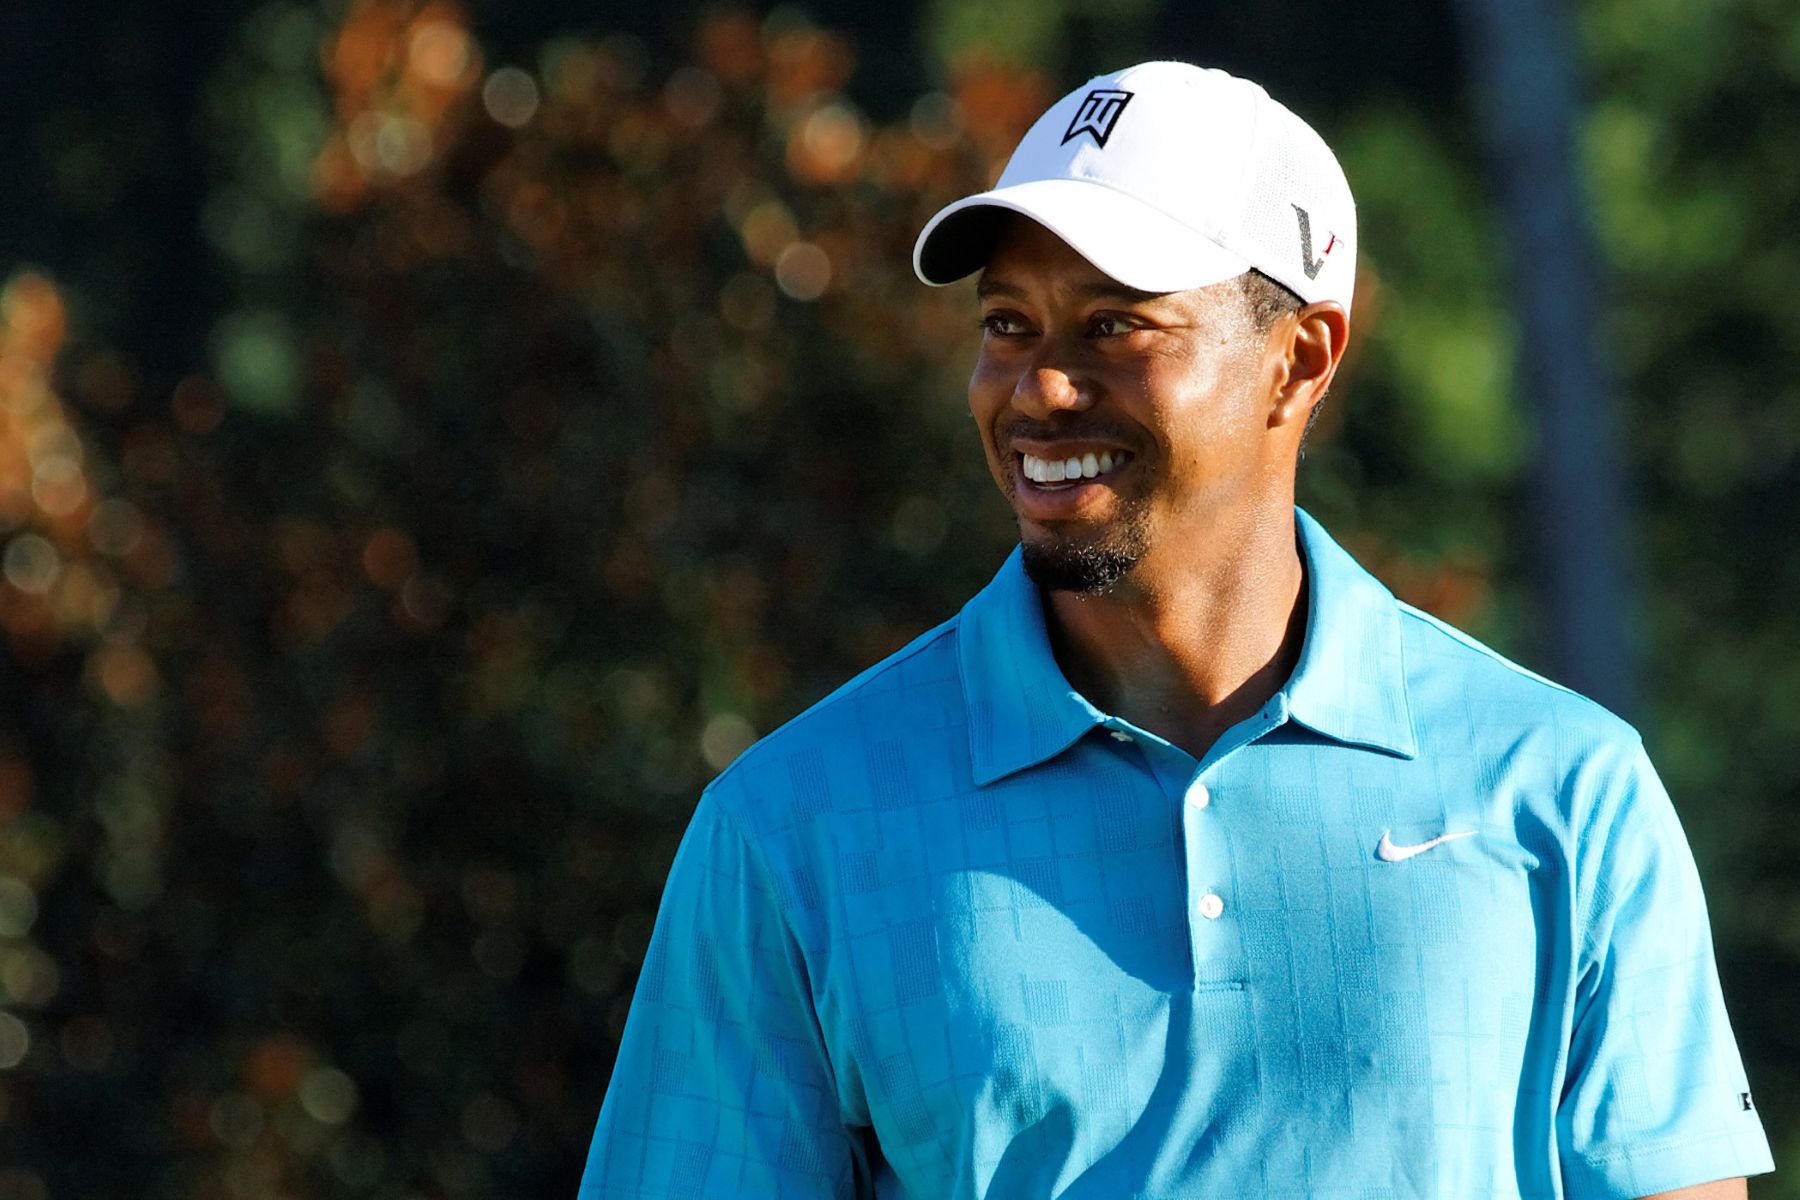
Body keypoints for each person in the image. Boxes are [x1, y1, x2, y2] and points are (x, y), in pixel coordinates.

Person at [577, 61, 1774, 1199]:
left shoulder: (1563, 791)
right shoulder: (792, 824)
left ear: (1297, 363)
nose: (1040, 389)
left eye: (1115, 326)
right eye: (1009, 324)